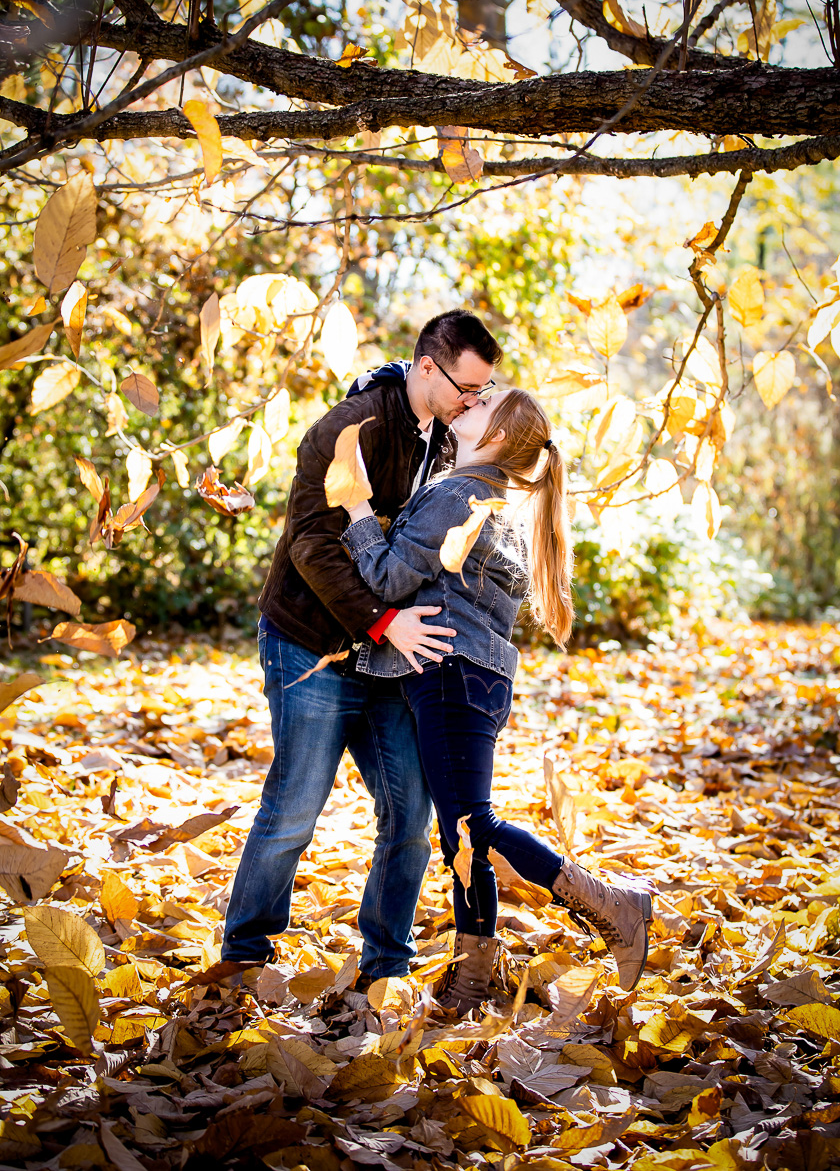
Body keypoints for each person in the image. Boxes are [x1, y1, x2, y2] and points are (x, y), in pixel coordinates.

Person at [339, 388, 653, 1011]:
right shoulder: (491, 502)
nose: (467, 405)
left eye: (482, 407)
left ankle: (610, 902)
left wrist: (355, 512)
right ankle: (473, 979)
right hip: (475, 678)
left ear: (498, 438)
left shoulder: (456, 495)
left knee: (470, 826)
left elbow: (386, 578)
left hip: (450, 674)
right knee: (463, 835)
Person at [221, 309, 504, 981]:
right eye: (469, 387)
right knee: (294, 807)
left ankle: (387, 967)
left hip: (389, 658)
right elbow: (312, 544)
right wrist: (381, 620)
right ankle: (242, 959)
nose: (478, 402)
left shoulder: (450, 435)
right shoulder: (347, 429)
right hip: (309, 641)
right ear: (428, 367)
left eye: (485, 390)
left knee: (411, 814)